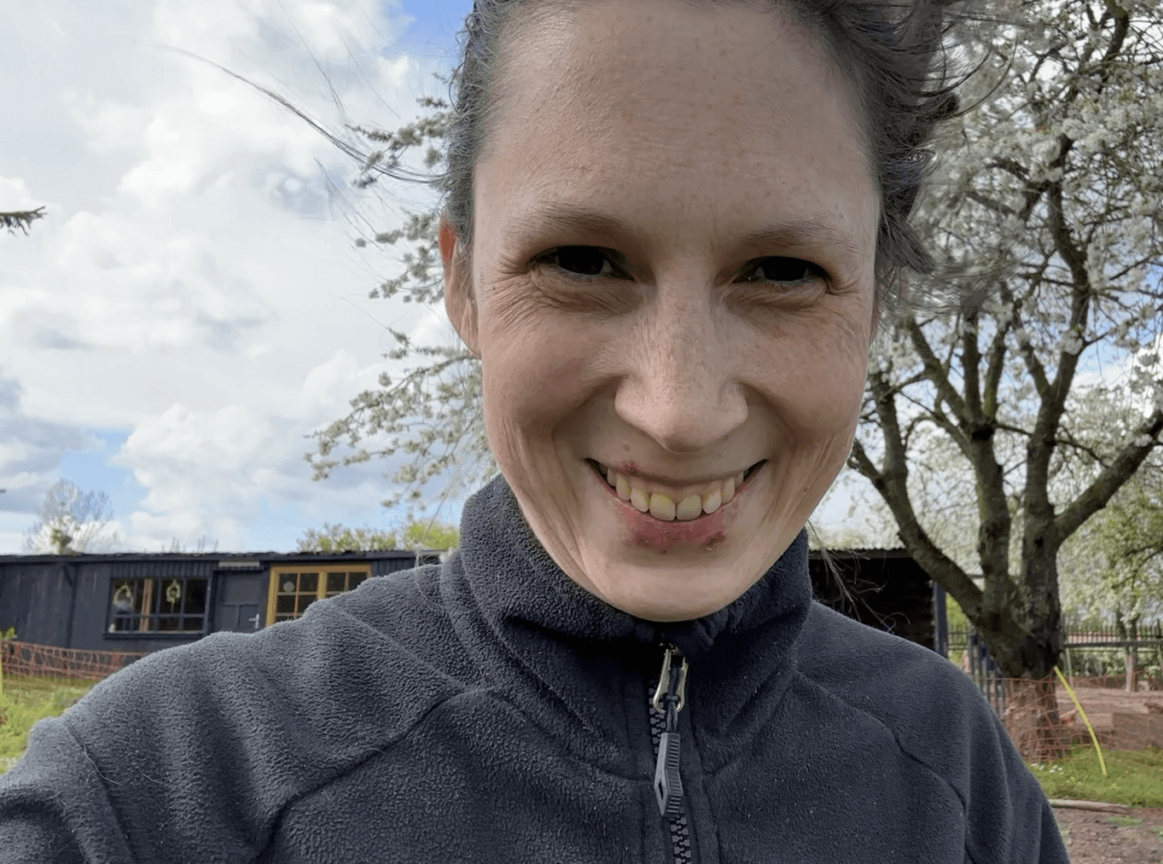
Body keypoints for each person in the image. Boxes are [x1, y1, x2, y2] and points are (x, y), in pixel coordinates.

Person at [0, 0, 1072, 861]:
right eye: (583, 262)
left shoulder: (958, 775)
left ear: (873, 298)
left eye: (784, 271)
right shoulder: (165, 789)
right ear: (462, 282)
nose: (679, 407)